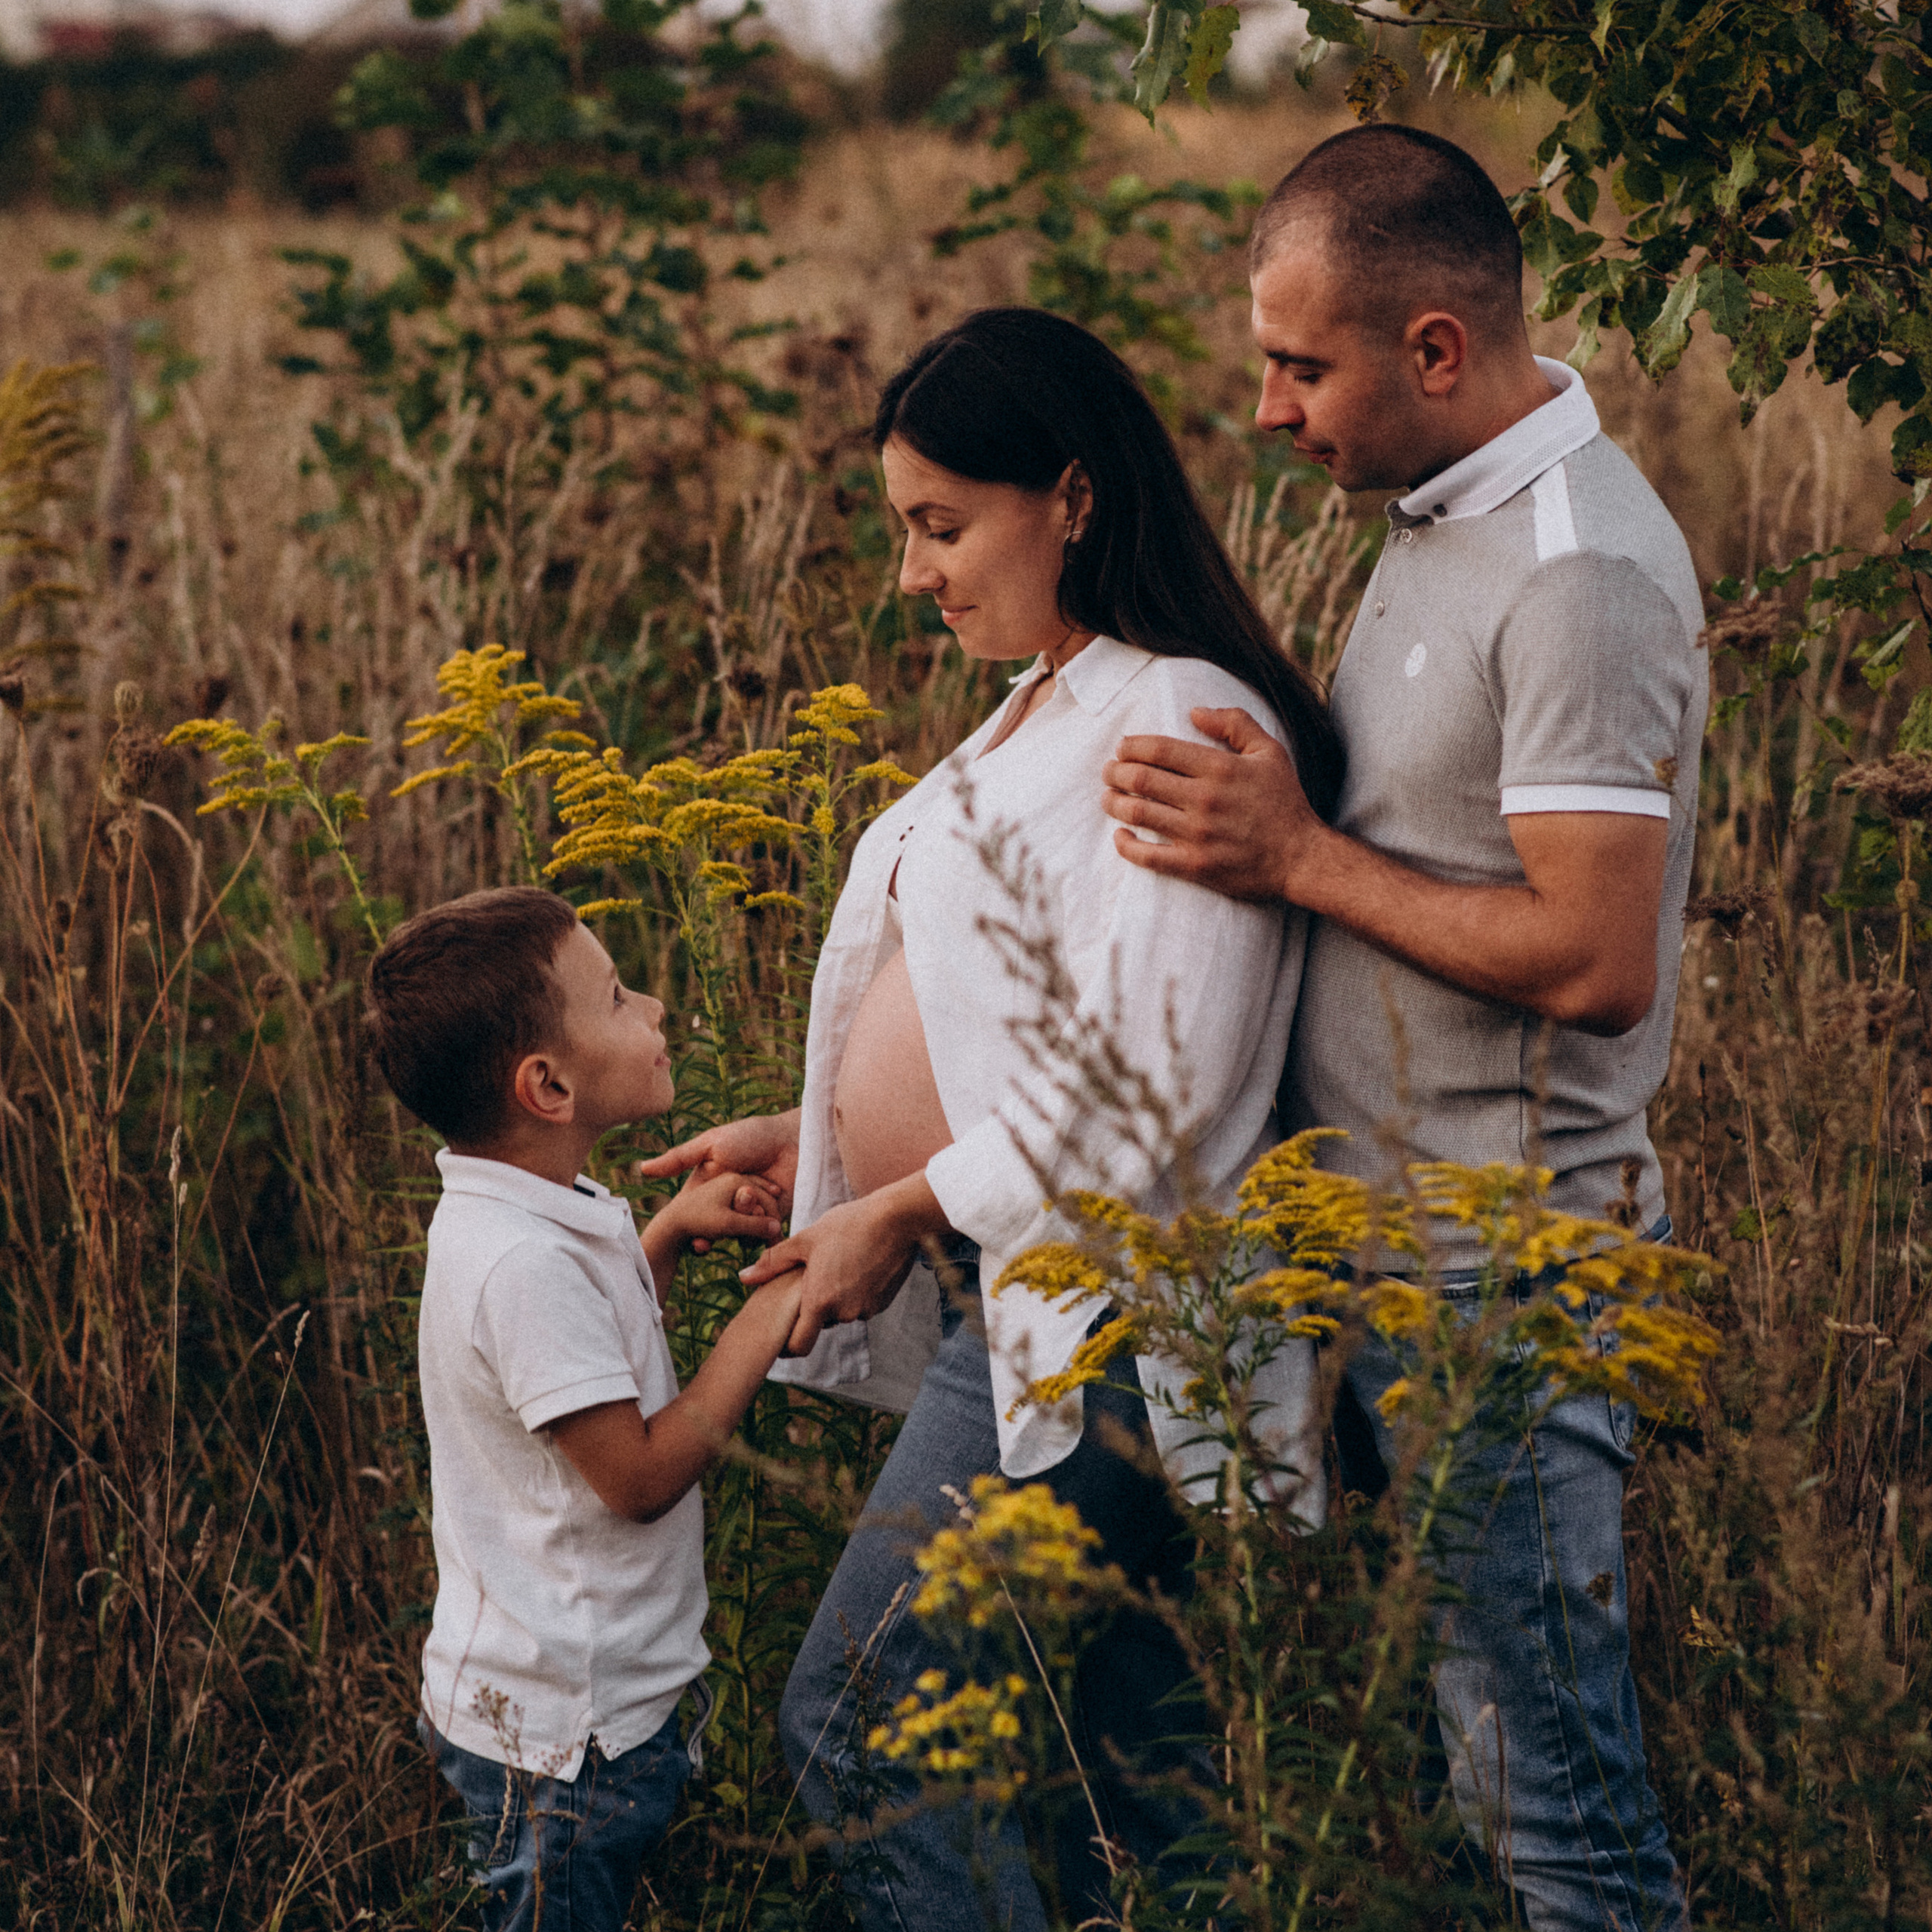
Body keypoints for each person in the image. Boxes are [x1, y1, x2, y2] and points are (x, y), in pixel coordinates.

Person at [641, 306, 1345, 1930]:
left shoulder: (1170, 714)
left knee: (862, 1712)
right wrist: (813, 1136)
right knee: (1135, 1789)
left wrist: (894, 1201)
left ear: (1074, 497)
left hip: (1097, 1315)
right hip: (1012, 1292)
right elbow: (1022, 1021)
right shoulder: (1049, 697)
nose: (913, 574)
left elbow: (1156, 1079)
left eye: (940, 526)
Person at [1097, 126, 1705, 1932]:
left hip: (1501, 1284)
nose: (1268, 408)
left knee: (1556, 1816)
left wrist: (1291, 854)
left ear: (1432, 349)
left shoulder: (1574, 569)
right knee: (1468, 1765)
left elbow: (1597, 959)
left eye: (1300, 365)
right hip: (1386, 1258)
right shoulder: (1440, 517)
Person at [365, 886, 801, 1932]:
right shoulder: (520, 1264)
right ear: (548, 1085)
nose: (653, 1008)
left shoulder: (529, 1208)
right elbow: (636, 1476)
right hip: (564, 1740)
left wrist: (660, 1241)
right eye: (616, 997)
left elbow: (572, 1368)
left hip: (559, 1705)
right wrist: (776, 1306)